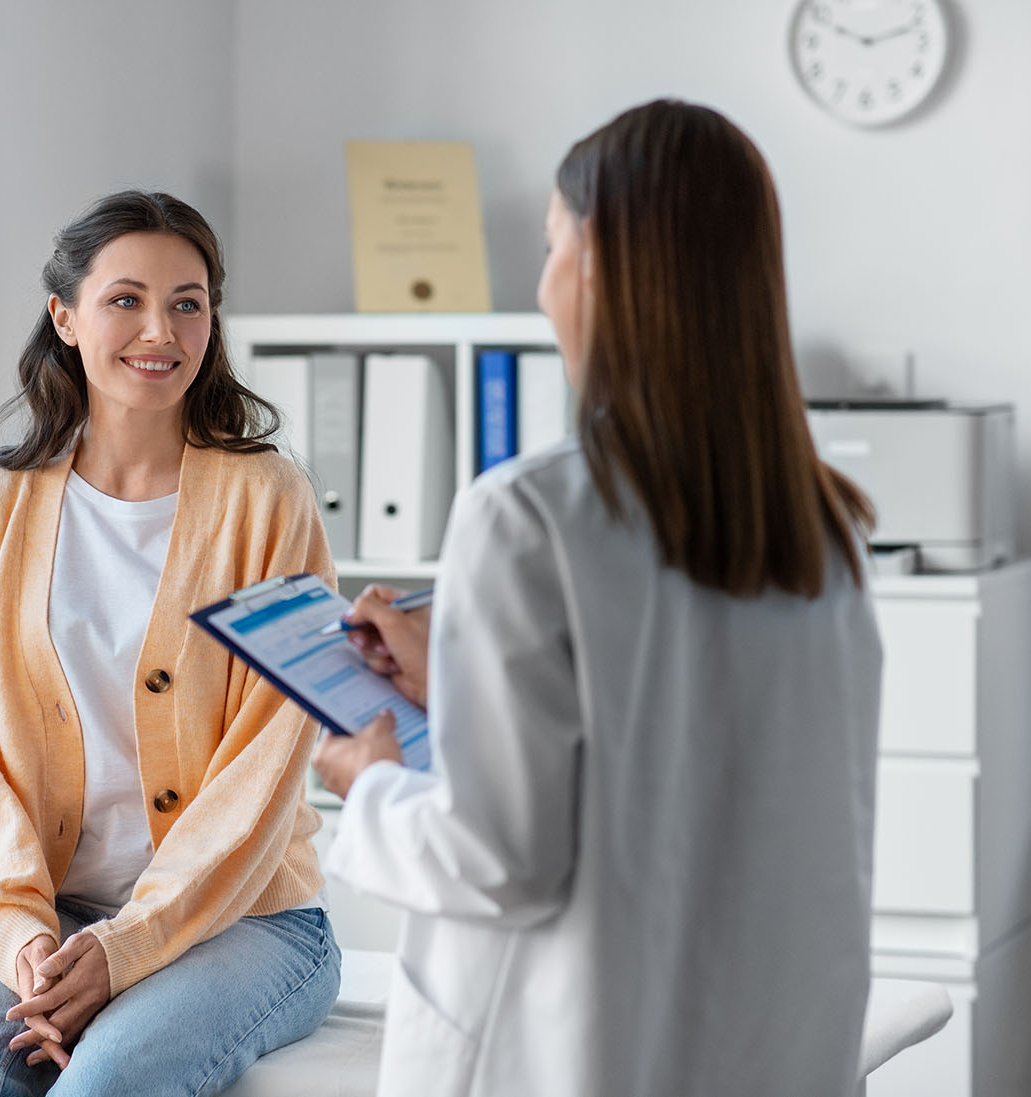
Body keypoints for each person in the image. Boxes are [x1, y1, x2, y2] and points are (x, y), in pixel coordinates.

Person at [312, 99, 884, 1097]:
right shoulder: (821, 528)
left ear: (603, 258)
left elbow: (500, 858)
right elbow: (682, 756)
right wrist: (459, 688)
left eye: (549, 246)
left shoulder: (526, 514)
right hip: (765, 1051)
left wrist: (368, 782)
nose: (541, 288)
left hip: (576, 1052)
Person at [0, 190, 341, 1097]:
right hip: (44, 915)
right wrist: (27, 944)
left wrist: (127, 946)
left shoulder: (271, 500)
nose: (160, 329)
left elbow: (272, 758)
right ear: (64, 316)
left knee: (106, 1084)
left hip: (249, 920)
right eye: (126, 299)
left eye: (188, 302)